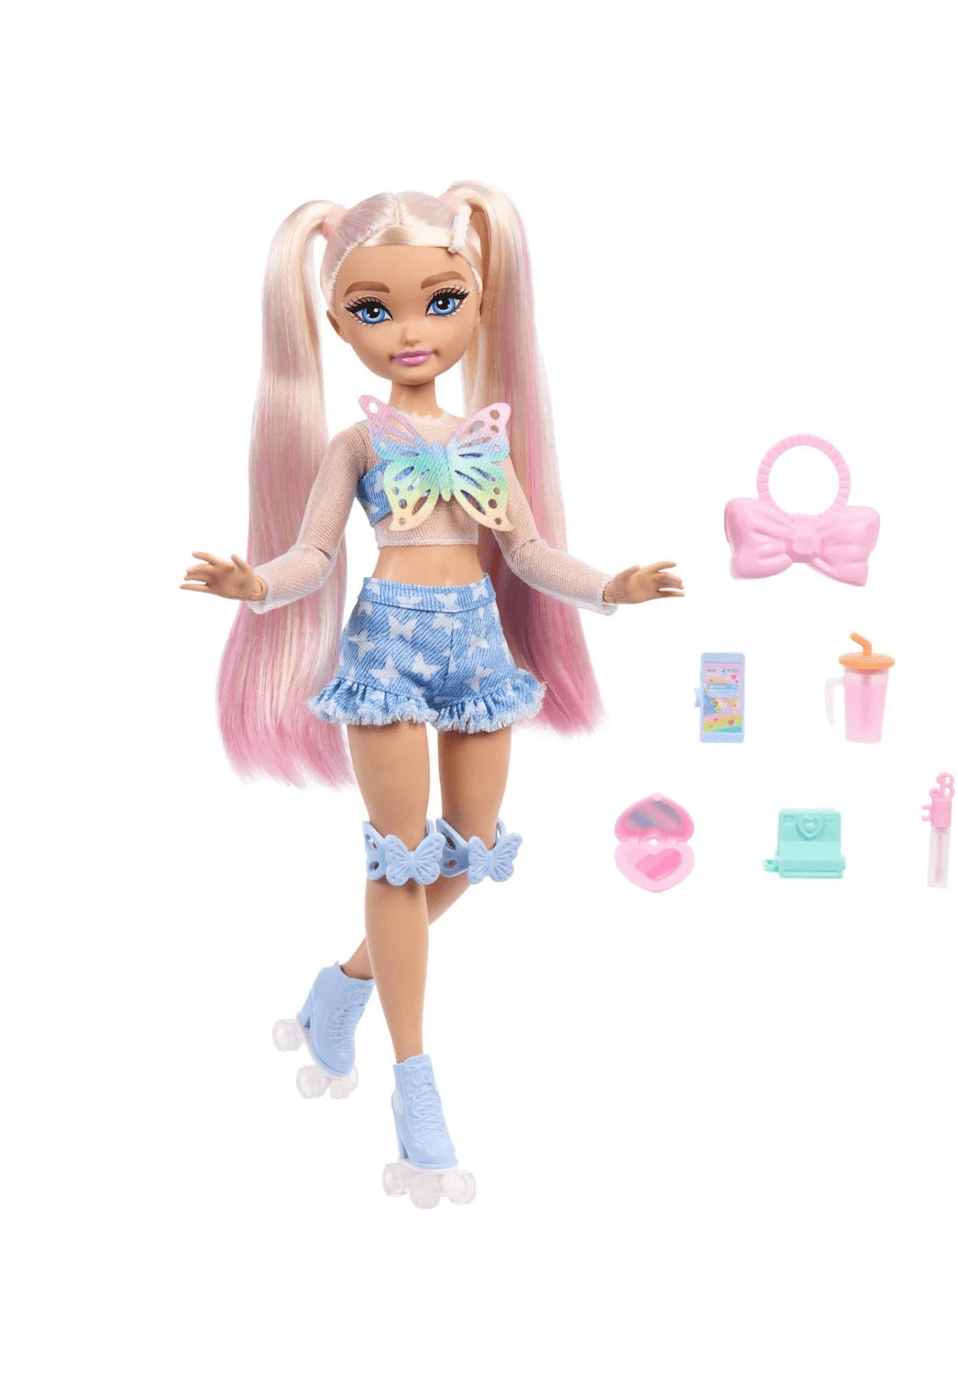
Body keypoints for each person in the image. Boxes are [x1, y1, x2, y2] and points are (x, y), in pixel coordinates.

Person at [181, 183, 683, 1207]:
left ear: (480, 304)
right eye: (374, 309)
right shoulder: (356, 444)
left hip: (476, 646)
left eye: (440, 300)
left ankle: (343, 985)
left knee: (472, 847)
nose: (410, 330)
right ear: (336, 324)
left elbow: (528, 552)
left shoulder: (486, 438)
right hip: (388, 647)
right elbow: (315, 554)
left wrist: (611, 588)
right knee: (399, 854)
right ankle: (415, 1080)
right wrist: (255, 584)